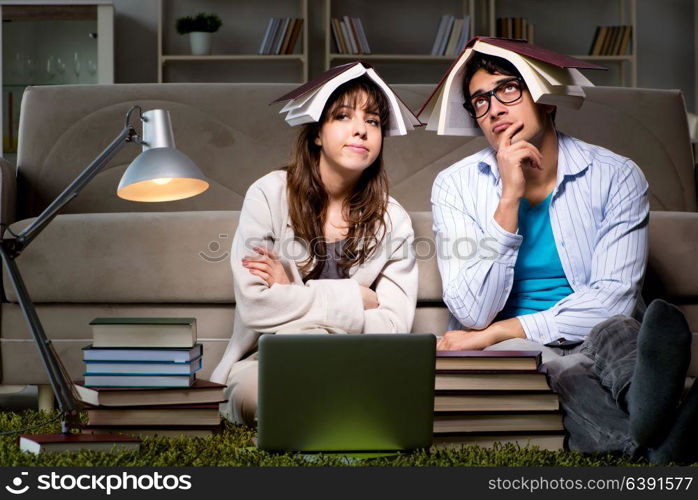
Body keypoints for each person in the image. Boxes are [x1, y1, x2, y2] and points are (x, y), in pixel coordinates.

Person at [431, 51, 697, 463]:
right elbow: (473, 313)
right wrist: (509, 199)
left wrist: (502, 329)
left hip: (594, 327)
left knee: (620, 331)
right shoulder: (454, 186)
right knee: (560, 369)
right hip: (514, 347)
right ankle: (659, 445)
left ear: (547, 98)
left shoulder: (616, 175)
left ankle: (649, 411)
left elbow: (613, 297)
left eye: (507, 89)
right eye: (480, 101)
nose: (494, 109)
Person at [210, 74, 418, 426]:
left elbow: (394, 326)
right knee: (252, 393)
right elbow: (256, 307)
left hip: (359, 362)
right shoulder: (267, 193)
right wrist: (354, 297)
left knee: (368, 394)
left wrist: (291, 293)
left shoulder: (394, 219)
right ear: (317, 133)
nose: (361, 130)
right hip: (272, 360)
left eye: (373, 121)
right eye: (343, 116)